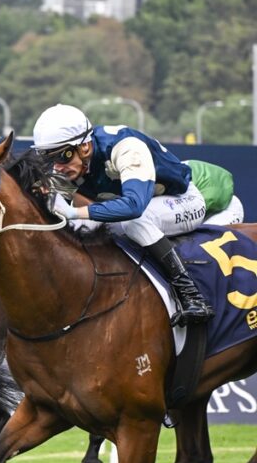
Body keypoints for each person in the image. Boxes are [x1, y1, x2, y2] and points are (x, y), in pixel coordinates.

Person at [32, 103, 213, 325]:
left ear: (85, 146)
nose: (56, 168)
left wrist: (75, 211)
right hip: (143, 206)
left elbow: (134, 206)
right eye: (47, 160)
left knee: (133, 221)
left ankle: (190, 294)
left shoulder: (125, 147)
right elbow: (57, 211)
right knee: (86, 228)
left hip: (183, 201)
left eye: (62, 156)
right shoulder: (71, 165)